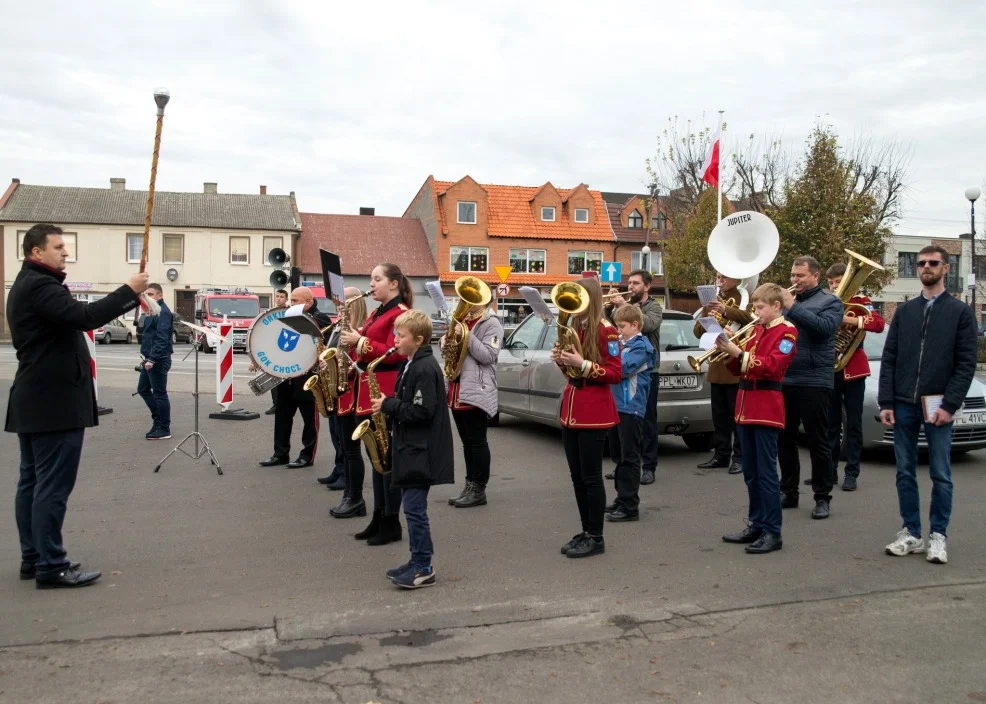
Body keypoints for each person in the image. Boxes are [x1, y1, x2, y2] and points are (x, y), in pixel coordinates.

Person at [7, 223, 149, 588]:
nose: (65, 253)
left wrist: (128, 296)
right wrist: (128, 291)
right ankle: (51, 565)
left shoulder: (32, 284)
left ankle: (34, 557)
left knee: (33, 483)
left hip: (37, 400)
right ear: (36, 252)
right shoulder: (39, 286)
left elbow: (75, 312)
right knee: (50, 487)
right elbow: (83, 318)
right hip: (53, 402)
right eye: (58, 247)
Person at [880, 245, 977, 565]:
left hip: (938, 405)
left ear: (945, 269)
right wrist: (886, 401)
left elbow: (965, 364)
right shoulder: (905, 312)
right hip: (904, 404)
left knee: (941, 473)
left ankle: (938, 536)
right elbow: (890, 359)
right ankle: (911, 532)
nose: (926, 267)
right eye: (921, 263)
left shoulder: (960, 313)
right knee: (905, 472)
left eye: (933, 263)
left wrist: (950, 404)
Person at [374, 310, 454, 588]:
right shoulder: (411, 363)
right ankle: (416, 559)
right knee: (412, 509)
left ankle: (423, 567)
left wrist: (389, 405)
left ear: (418, 340)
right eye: (396, 333)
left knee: (414, 510)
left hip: (421, 450)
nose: (395, 339)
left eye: (401, 335)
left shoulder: (423, 367)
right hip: (412, 447)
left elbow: (422, 411)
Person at [718, 284, 799, 554]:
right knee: (751, 473)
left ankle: (773, 531)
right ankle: (756, 523)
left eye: (760, 307)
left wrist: (739, 353)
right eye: (755, 307)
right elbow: (736, 369)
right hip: (745, 406)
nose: (756, 312)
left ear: (777, 306)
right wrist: (729, 348)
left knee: (766, 474)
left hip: (765, 407)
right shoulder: (755, 330)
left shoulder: (786, 331)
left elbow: (772, 366)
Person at [335, 263, 411, 545]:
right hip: (367, 391)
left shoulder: (401, 313)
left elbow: (397, 352)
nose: (372, 284)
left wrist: (360, 340)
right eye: (371, 279)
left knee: (386, 460)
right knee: (376, 459)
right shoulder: (378, 312)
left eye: (377, 279)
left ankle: (391, 521)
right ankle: (379, 516)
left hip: (386, 391)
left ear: (393, 284)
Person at [553, 277, 622, 559]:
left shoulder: (607, 331)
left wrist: (582, 364)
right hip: (573, 409)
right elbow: (573, 375)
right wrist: (563, 362)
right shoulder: (576, 327)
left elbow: (616, 373)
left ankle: (596, 536)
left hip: (594, 411)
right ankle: (586, 530)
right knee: (577, 477)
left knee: (592, 478)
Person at [777, 256, 843, 519]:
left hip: (815, 380)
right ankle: (789, 491)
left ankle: (822, 496)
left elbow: (823, 330)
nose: (795, 280)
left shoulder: (831, 302)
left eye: (800, 276)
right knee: (785, 439)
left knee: (818, 441)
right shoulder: (786, 306)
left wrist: (791, 307)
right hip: (787, 378)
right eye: (793, 276)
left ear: (815, 276)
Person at [825, 263, 885, 492]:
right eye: (831, 283)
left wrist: (849, 321)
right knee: (830, 424)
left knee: (854, 424)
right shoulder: (828, 301)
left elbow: (878, 324)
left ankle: (852, 473)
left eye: (838, 282)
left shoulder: (860, 302)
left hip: (854, 369)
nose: (834, 286)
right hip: (831, 368)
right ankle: (829, 472)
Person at [258, 287, 330, 469]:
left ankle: (307, 455)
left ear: (308, 302)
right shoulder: (288, 316)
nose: (292, 304)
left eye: (296, 301)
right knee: (282, 418)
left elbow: (326, 346)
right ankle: (280, 453)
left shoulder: (321, 318)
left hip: (307, 377)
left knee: (309, 421)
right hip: (287, 376)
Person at [444, 294, 503, 508]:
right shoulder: (461, 320)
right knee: (467, 442)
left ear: (484, 299)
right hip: (458, 387)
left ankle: (479, 488)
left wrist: (466, 336)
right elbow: (451, 353)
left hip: (477, 388)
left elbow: (488, 356)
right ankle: (469, 484)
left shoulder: (492, 323)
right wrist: (448, 341)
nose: (466, 301)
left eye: (472, 297)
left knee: (477, 441)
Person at [692, 273, 753, 474]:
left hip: (734, 364)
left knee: (737, 418)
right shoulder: (713, 300)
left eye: (724, 277)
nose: (720, 280)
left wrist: (725, 309)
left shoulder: (744, 297)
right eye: (718, 277)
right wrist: (707, 315)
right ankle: (721, 455)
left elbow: (750, 319)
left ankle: (740, 457)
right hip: (717, 366)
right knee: (719, 417)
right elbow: (698, 333)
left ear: (735, 278)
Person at [608, 270, 662, 484]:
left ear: (647, 286)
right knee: (621, 427)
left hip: (647, 372)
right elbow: (612, 326)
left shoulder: (654, 307)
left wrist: (623, 306)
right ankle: (623, 465)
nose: (631, 287)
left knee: (646, 422)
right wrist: (611, 307)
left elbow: (647, 324)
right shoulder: (625, 309)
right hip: (625, 375)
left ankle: (648, 467)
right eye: (629, 282)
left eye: (636, 283)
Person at [604, 305, 655, 522]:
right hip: (616, 406)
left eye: (622, 326)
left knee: (630, 457)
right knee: (618, 456)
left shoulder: (642, 346)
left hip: (631, 407)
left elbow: (621, 370)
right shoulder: (622, 344)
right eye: (617, 326)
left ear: (635, 325)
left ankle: (630, 505)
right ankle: (621, 498)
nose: (618, 330)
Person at [317, 288, 367, 491]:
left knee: (345, 438)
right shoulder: (339, 327)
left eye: (342, 303)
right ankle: (339, 469)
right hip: (335, 387)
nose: (338, 307)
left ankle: (346, 475)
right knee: (336, 433)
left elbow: (352, 359)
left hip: (347, 388)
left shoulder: (358, 330)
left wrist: (333, 365)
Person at [137, 283, 174, 440]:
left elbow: (162, 338)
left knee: (159, 393)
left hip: (158, 359)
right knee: (143, 389)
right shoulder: (152, 311)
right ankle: (158, 421)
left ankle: (164, 428)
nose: (148, 297)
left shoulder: (163, 312)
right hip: (149, 357)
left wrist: (152, 359)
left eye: (151, 294)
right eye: (146, 294)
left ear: (160, 295)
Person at [264, 289, 289, 415]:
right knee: (273, 380)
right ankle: (276, 404)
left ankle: (284, 404)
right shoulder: (271, 314)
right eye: (277, 296)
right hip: (274, 351)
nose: (279, 299)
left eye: (282, 297)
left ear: (286, 299)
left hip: (286, 350)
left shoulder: (289, 313)